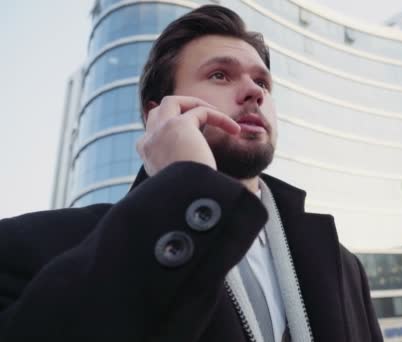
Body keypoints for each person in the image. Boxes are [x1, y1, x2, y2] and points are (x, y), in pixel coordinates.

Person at [0, 5, 382, 342]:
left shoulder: (343, 264)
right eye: (220, 75)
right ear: (160, 115)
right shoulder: (32, 248)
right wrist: (187, 186)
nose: (254, 92)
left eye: (262, 81)